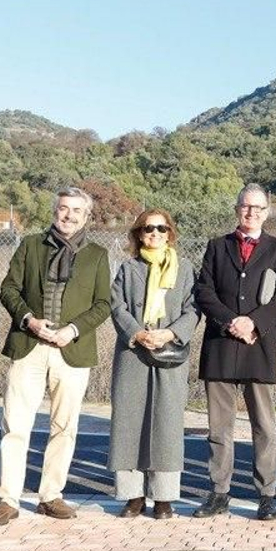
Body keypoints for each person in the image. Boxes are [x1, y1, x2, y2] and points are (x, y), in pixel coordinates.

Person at [0, 187, 111, 526]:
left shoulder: (97, 255)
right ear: (54, 211)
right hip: (29, 345)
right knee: (15, 424)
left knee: (64, 427)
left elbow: (103, 304)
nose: (68, 215)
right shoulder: (30, 245)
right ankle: (8, 499)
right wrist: (28, 320)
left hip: (72, 350)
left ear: (86, 217)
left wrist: (72, 330)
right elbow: (9, 288)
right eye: (63, 208)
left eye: (76, 210)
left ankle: (50, 496)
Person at [192, 183, 276, 521]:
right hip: (221, 346)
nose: (251, 212)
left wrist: (253, 323)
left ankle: (266, 495)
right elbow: (204, 291)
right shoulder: (216, 246)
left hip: (258, 347)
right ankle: (219, 493)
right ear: (237, 209)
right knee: (218, 428)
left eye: (258, 208)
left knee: (264, 427)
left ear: (267, 212)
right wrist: (229, 322)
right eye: (245, 206)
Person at [108, 208, 199, 519]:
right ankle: (133, 496)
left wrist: (170, 333)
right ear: (139, 233)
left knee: (166, 424)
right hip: (133, 353)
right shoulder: (127, 268)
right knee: (129, 422)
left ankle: (163, 497)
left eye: (161, 228)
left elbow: (193, 308)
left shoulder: (185, 269)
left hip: (170, 353)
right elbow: (116, 305)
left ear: (170, 233)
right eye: (148, 229)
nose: (155, 234)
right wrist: (137, 333)